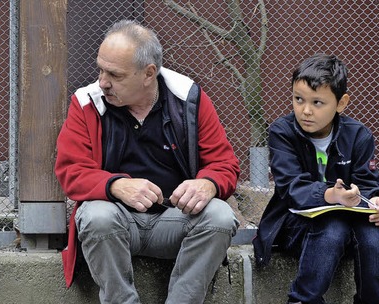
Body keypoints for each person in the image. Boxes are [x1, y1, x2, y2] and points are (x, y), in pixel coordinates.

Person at [54, 20, 240, 303]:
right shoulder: (87, 103)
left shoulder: (189, 99)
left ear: (148, 74)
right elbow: (70, 171)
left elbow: (225, 164)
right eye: (100, 70)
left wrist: (208, 184)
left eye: (115, 75)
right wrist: (115, 186)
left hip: (175, 220)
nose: (103, 81)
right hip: (117, 223)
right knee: (96, 216)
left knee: (220, 216)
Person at [253, 54, 379, 304]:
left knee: (374, 235)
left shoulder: (358, 135)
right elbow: (290, 186)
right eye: (298, 99)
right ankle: (303, 300)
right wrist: (330, 195)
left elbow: (369, 184)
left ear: (341, 103)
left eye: (317, 102)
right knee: (332, 228)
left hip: (350, 224)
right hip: (295, 225)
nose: (305, 110)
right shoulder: (282, 132)